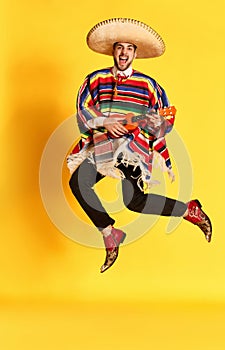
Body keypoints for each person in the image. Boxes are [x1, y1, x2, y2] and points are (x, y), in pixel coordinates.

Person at [67, 18, 212, 273]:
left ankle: (187, 211)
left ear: (135, 53)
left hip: (132, 148)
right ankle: (111, 232)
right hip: (103, 146)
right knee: (91, 187)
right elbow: (81, 110)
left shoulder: (148, 85)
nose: (124, 53)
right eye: (120, 47)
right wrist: (105, 121)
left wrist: (157, 124)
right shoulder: (95, 79)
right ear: (113, 50)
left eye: (130, 48)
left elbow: (166, 118)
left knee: (133, 200)